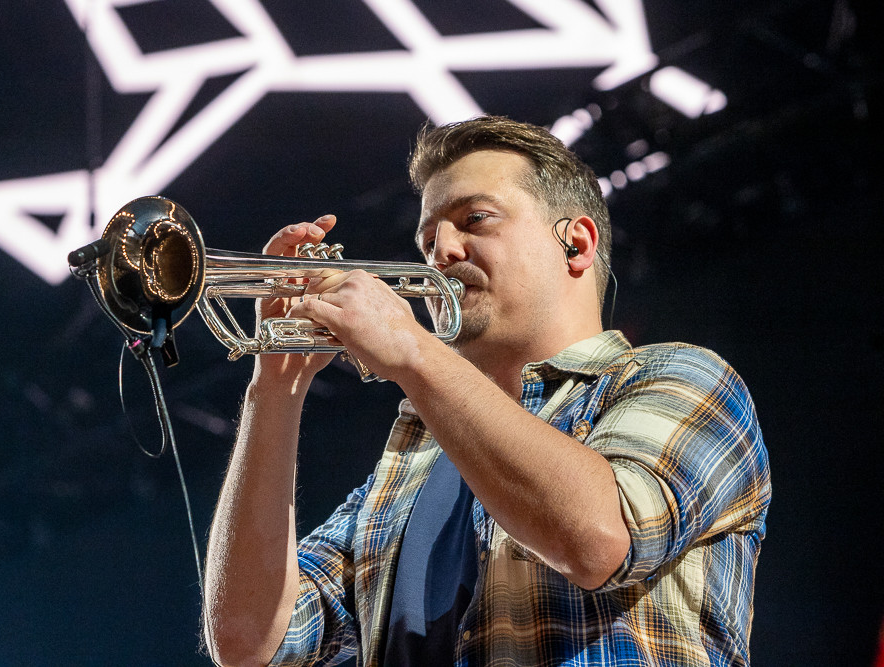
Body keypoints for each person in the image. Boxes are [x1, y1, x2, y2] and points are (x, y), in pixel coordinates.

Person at [202, 116, 771, 666]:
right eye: (428, 239)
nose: (441, 253)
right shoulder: (407, 470)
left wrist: (411, 349)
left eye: (474, 219)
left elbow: (599, 540)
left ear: (575, 244)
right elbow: (250, 643)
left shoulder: (681, 377)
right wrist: (274, 385)